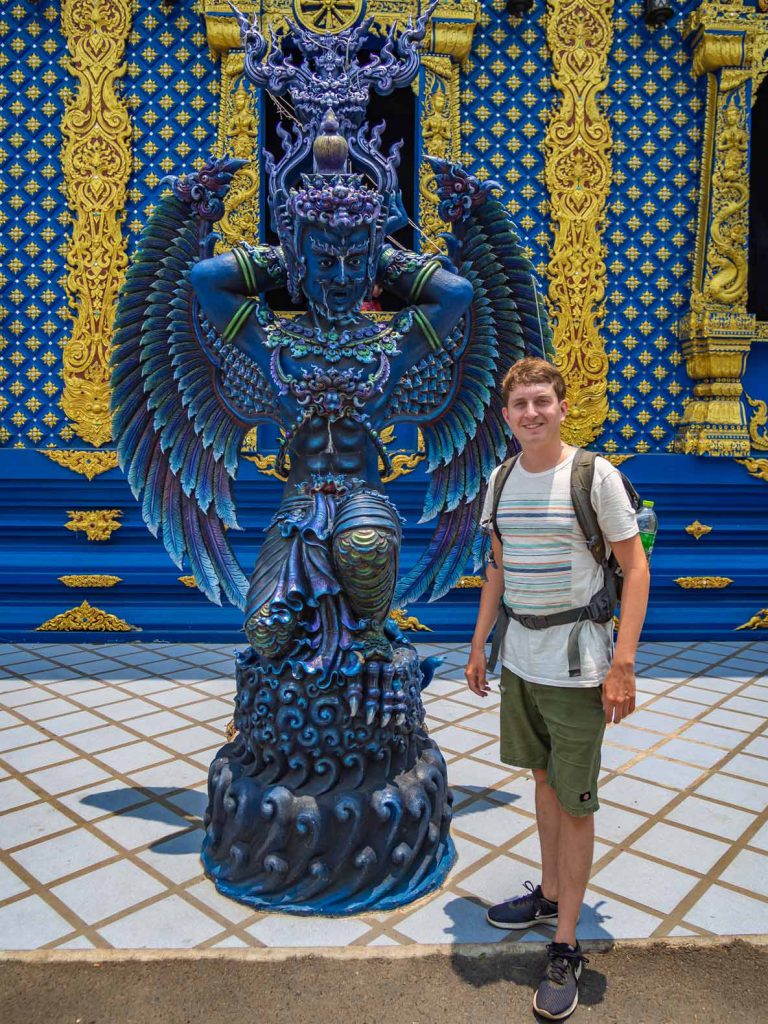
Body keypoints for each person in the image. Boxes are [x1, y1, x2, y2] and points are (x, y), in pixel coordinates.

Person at [465, 357, 650, 1021]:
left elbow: (635, 569)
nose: (531, 413)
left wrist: (622, 663)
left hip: (579, 668)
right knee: (541, 780)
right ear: (506, 415)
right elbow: (496, 567)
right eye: (519, 405)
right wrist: (481, 642)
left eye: (541, 401)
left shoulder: (593, 476)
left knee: (574, 802)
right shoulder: (501, 478)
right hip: (521, 658)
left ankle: (566, 942)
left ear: (563, 407)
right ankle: (548, 892)